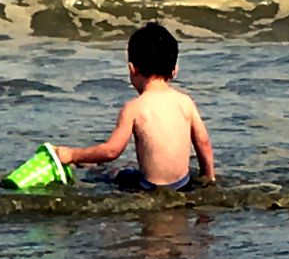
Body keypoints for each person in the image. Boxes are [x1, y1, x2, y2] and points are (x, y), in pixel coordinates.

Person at [62, 19, 216, 190]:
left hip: (149, 188)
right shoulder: (185, 102)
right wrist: (208, 177)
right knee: (127, 168)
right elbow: (203, 143)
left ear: (132, 69)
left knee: (113, 173)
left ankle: (84, 164)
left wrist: (72, 154)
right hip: (183, 184)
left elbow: (111, 151)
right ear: (175, 70)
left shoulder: (134, 108)